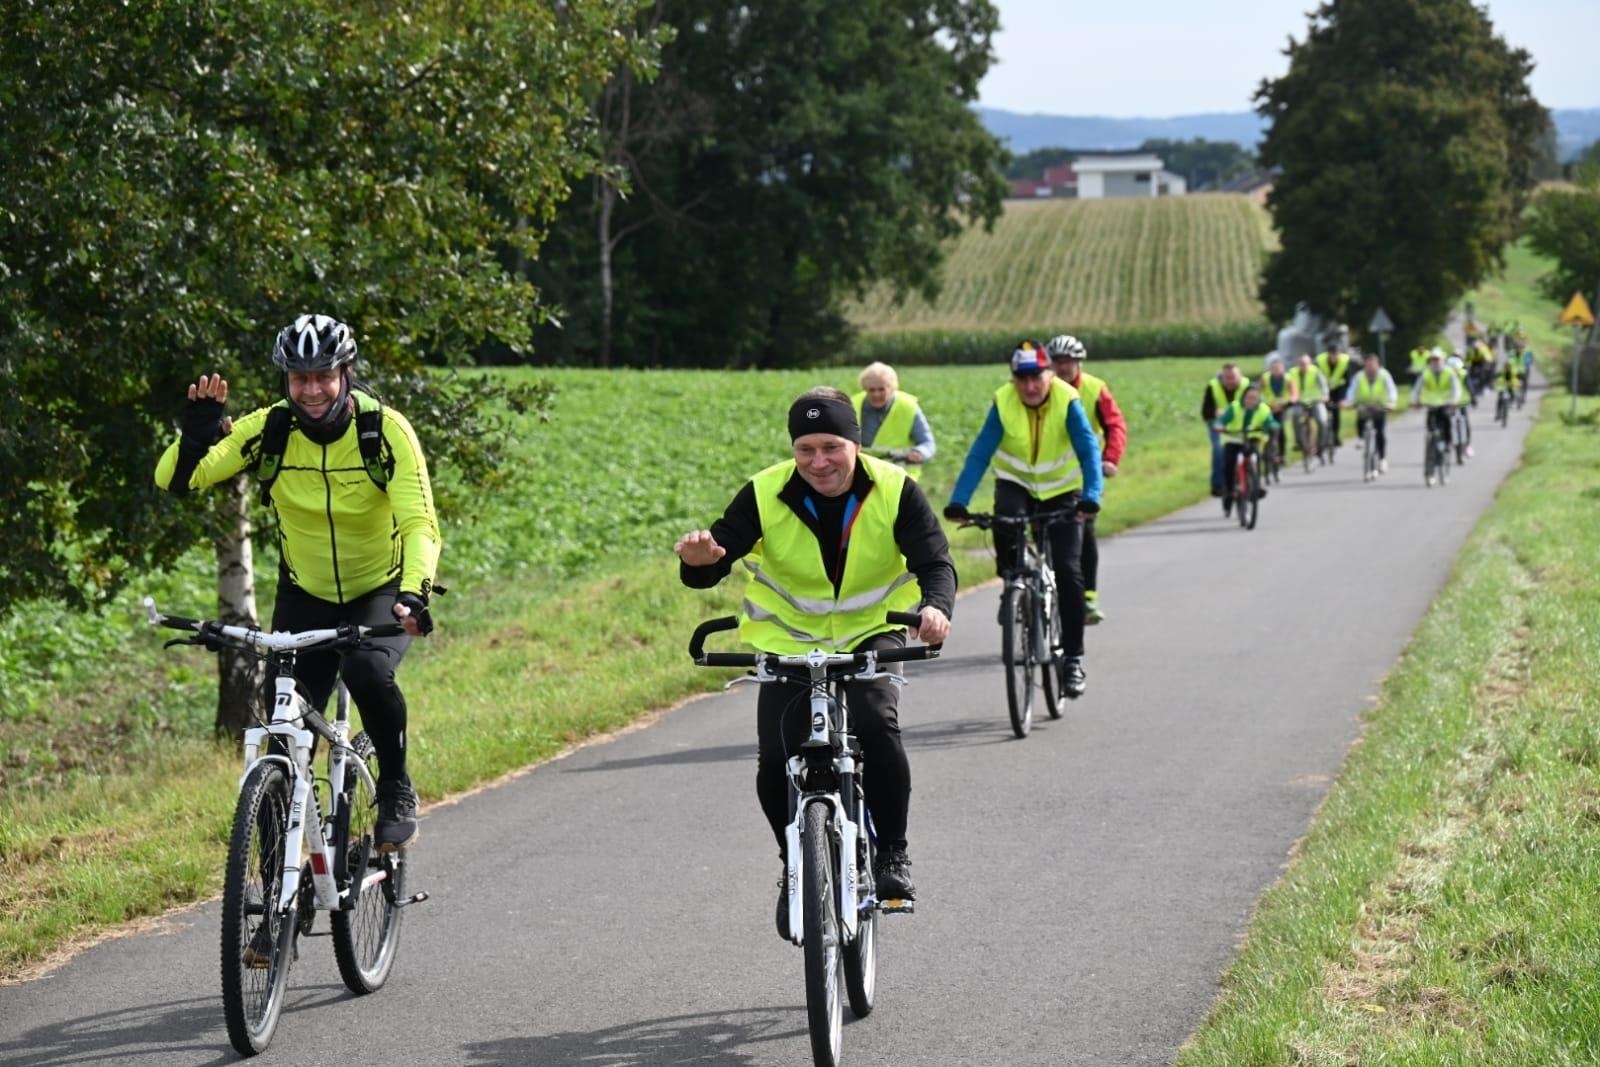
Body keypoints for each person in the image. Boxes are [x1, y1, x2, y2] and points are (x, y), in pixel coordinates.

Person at [155, 314, 441, 855]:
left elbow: (420, 523)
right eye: (299, 378)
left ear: (346, 373)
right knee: (283, 734)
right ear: (285, 380)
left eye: (323, 376)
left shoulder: (385, 433)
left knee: (365, 669)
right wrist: (191, 440)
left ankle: (397, 785)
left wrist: (414, 593)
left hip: (379, 588)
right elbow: (177, 481)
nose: (311, 390)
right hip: (304, 592)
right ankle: (272, 906)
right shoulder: (270, 430)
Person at [675, 388, 955, 932]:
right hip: (790, 642)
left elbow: (934, 562)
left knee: (877, 724)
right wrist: (700, 561)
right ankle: (796, 865)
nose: (818, 462)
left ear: (854, 442)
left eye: (831, 446)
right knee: (775, 759)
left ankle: (892, 854)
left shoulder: (896, 489)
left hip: (873, 631)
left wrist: (936, 608)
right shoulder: (764, 491)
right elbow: (717, 556)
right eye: (806, 449)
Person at [944, 342, 1103, 697]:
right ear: (1013, 379)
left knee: (1068, 570)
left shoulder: (1066, 400)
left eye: (1037, 377)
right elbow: (981, 452)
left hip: (1063, 491)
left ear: (1049, 374)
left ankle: (1074, 660)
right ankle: (1012, 584)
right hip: (1016, 484)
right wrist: (959, 500)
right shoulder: (1003, 401)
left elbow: (1088, 449)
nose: (1030, 386)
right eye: (1022, 378)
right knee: (1004, 525)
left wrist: (1092, 495)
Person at [1046, 334, 1126, 626]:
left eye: (1068, 362)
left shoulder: (1095, 388)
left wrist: (1110, 459)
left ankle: (1088, 595)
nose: (1062, 368)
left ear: (1079, 363)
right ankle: (1036, 586)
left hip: (1083, 473)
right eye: (1057, 362)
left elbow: (1115, 425)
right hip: (1045, 474)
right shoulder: (1040, 389)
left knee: (1084, 529)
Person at [853, 361, 935, 479]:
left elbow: (928, 443)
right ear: (864, 389)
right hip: (863, 473)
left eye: (882, 389)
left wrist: (920, 453)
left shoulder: (908, 407)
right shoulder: (853, 404)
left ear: (892, 388)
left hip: (899, 475)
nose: (876, 394)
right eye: (871, 390)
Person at [1212, 384, 1278, 514]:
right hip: (1234, 439)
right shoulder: (1234, 407)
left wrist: (1272, 426)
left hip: (1252, 439)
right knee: (1229, 466)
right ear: (1244, 397)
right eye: (1249, 397)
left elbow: (1270, 421)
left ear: (1258, 399)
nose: (1251, 401)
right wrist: (1219, 426)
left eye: (1254, 398)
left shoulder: (1263, 409)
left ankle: (1256, 485)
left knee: (1256, 459)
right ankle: (1229, 494)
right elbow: (1222, 420)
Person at [1199, 362, 1252, 497]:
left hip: (1242, 425)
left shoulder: (1247, 386)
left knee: (1253, 447)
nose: (1230, 381)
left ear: (1239, 376)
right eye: (1227, 377)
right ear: (1222, 377)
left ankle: (1252, 480)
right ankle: (1218, 485)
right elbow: (1205, 412)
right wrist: (1215, 413)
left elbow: (1258, 405)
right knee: (1218, 449)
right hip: (1219, 426)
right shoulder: (1213, 386)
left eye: (1233, 377)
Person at [1342, 352, 1398, 473]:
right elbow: (1352, 390)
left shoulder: (1384, 375)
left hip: (1380, 405)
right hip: (1364, 404)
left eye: (1373, 365)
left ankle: (1382, 459)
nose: (1371, 367)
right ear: (1365, 365)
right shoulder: (1359, 376)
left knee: (1380, 433)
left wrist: (1391, 402)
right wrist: (1349, 401)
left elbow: (1391, 389)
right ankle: (1361, 438)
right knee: (1360, 417)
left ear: (1377, 364)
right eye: (1368, 365)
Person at [1412, 349, 1462, 482]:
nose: (1435, 362)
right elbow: (1417, 388)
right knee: (1430, 435)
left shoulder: (1449, 372)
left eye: (1438, 359)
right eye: (1433, 360)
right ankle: (1429, 471)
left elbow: (1456, 388)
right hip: (1431, 405)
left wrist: (1454, 400)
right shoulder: (1426, 373)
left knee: (1447, 425)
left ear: (1443, 360)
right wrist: (1415, 401)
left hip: (1445, 404)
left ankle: (1448, 444)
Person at [1258, 355, 1299, 468]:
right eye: (1274, 368)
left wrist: (1290, 401)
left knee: (1280, 430)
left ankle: (1282, 455)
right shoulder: (1265, 378)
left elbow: (1294, 393)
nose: (1276, 371)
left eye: (1278, 368)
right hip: (1268, 407)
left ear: (1282, 368)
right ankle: (1264, 451)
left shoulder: (1287, 378)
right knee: (1264, 429)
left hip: (1283, 407)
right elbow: (1258, 393)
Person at [1290, 353, 1331, 458]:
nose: (1303, 365)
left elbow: (1324, 385)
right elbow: (1288, 387)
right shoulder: (1292, 373)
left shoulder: (1315, 371)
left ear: (1309, 363)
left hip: (1316, 401)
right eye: (1301, 363)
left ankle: (1321, 445)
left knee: (1321, 421)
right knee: (1295, 416)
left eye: (1305, 363)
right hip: (1300, 402)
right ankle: (1299, 442)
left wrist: (1325, 396)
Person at [1315, 344, 1355, 445]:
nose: (1335, 357)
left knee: (1336, 413)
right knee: (1323, 413)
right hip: (1324, 390)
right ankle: (1322, 439)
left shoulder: (1344, 362)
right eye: (1333, 354)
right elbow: (1316, 379)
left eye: (1337, 354)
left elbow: (1348, 382)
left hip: (1339, 390)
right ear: (1329, 354)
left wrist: (1344, 398)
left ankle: (1335, 436)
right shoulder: (1320, 361)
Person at [1446, 354, 1475, 458]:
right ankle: (1449, 442)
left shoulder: (1463, 374)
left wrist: (1473, 397)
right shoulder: (1446, 375)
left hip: (1462, 402)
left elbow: (1470, 386)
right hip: (1450, 402)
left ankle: (1466, 445)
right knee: (1447, 423)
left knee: (1466, 424)